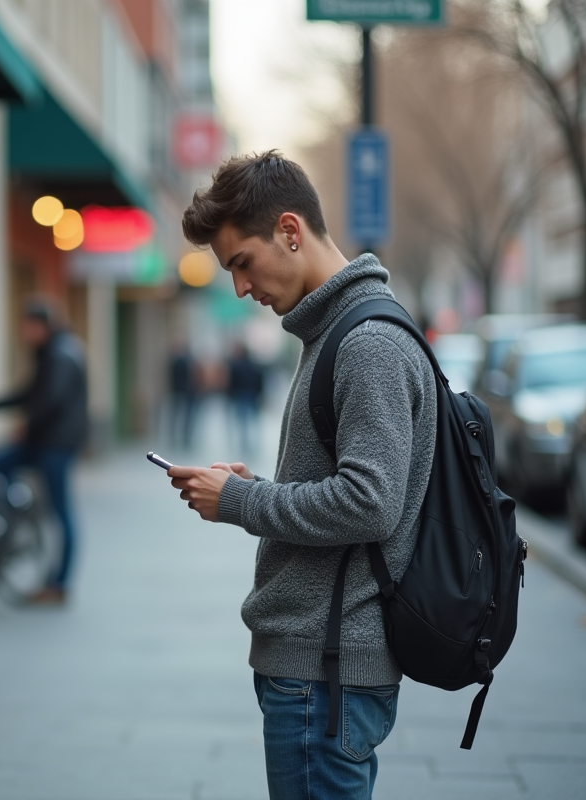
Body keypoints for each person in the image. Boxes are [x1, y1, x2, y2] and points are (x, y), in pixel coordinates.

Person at [166, 151, 438, 800]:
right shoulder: (336, 332)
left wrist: (243, 501)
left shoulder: (365, 341)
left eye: (241, 262)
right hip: (321, 665)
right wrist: (255, 484)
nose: (239, 288)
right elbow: (356, 485)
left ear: (290, 230)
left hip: (326, 668)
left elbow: (370, 503)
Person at [0, 298, 88, 605]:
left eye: (28, 327)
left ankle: (58, 584)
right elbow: (29, 394)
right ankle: (13, 509)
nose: (24, 333)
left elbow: (49, 400)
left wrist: (25, 424)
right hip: (48, 442)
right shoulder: (54, 351)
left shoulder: (59, 354)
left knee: (61, 511)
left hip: (55, 444)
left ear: (42, 326)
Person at [226, 342, 263, 452]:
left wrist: (231, 395)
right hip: (251, 396)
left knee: (243, 421)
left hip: (241, 396)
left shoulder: (236, 366)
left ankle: (245, 443)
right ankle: (252, 443)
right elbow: (259, 381)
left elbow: (232, 383)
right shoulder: (255, 366)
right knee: (252, 420)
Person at [167, 344, 200, 449]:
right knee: (185, 416)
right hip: (185, 392)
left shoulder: (174, 362)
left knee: (177, 415)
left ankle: (175, 436)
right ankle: (185, 437)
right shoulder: (188, 362)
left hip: (177, 391)